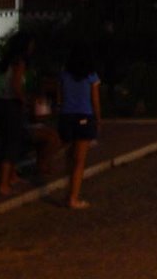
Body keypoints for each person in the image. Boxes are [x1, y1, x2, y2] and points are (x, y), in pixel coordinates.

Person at [58, 43, 101, 209]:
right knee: (79, 161)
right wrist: (98, 119)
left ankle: (68, 193)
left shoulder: (64, 74)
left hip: (67, 117)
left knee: (69, 157)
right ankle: (73, 197)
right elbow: (95, 100)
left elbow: (60, 96)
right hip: (84, 116)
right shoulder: (91, 76)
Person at [0, 31, 34, 196]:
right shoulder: (19, 62)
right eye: (30, 44)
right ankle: (4, 184)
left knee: (7, 140)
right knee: (12, 143)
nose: (32, 48)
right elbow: (16, 86)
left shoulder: (3, 62)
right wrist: (25, 101)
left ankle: (12, 176)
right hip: (10, 105)